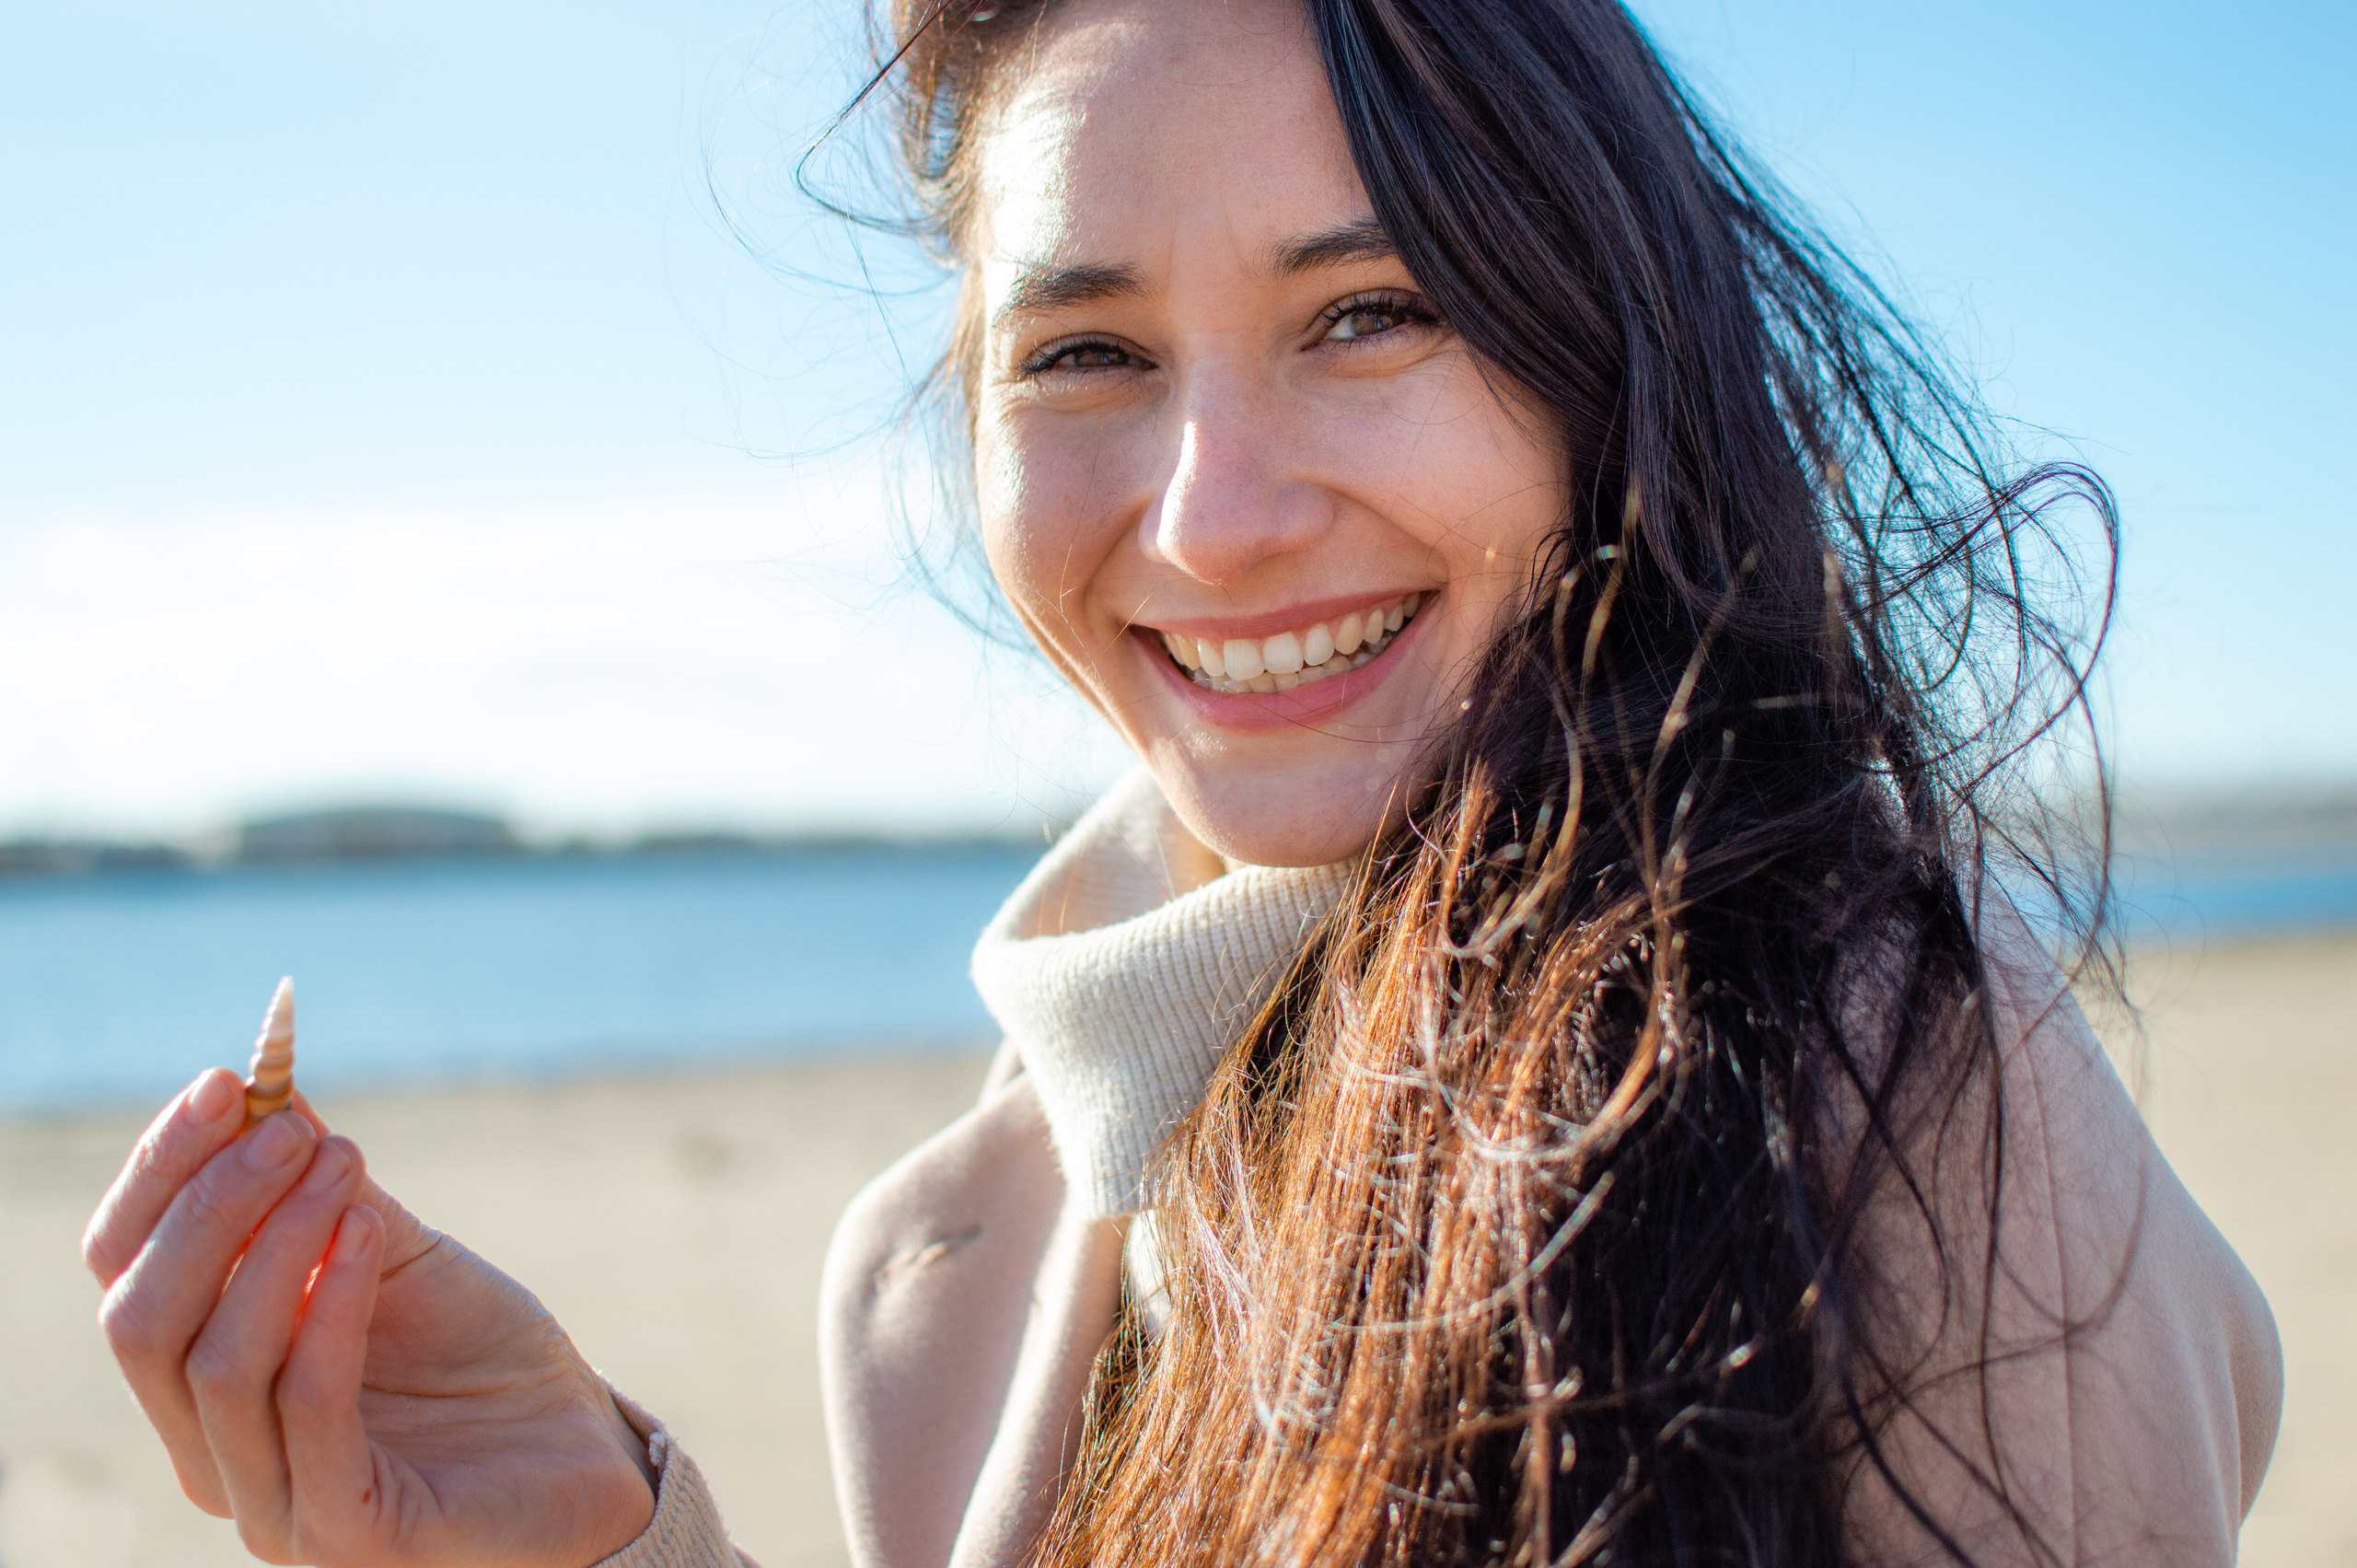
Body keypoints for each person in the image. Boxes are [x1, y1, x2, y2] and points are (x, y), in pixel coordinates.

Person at [82, 0, 2282, 1563]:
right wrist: (592, 1539)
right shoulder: (949, 1257)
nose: (1211, 514)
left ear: (1597, 353)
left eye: (1368, 314)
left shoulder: (1867, 1077)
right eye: (1087, 356)